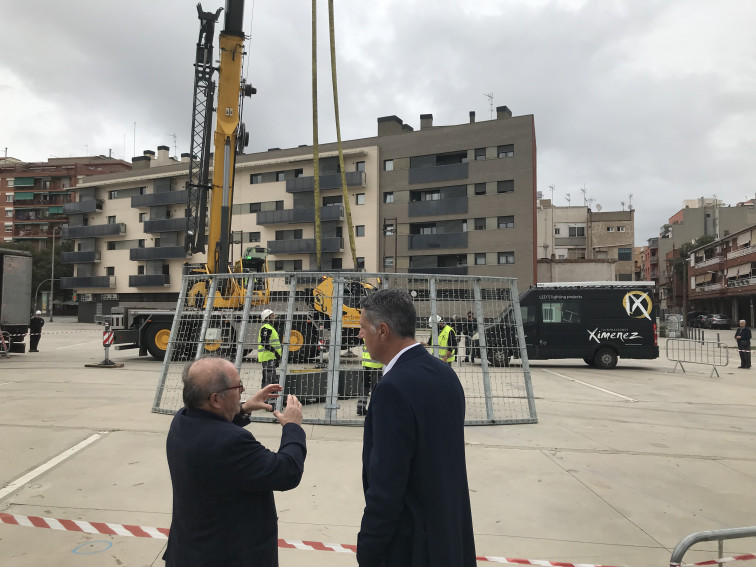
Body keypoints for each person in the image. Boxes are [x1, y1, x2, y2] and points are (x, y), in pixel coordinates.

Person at [357, 288, 476, 567]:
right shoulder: (445, 374)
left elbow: (386, 486)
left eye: (363, 328)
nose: (360, 335)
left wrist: (369, 548)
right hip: (448, 539)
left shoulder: (392, 390)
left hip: (412, 547)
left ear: (383, 330)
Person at [163, 356, 306, 567]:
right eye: (238, 386)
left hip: (189, 552)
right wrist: (293, 426)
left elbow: (212, 428)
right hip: (227, 557)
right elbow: (286, 472)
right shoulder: (232, 442)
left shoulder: (182, 420)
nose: (242, 390)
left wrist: (244, 407)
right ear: (215, 400)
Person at [358, 339, 383, 416]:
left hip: (366, 364)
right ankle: (375, 408)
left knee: (365, 385)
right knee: (376, 387)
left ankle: (360, 407)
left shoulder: (367, 333)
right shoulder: (379, 334)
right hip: (376, 365)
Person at [258, 309, 282, 389]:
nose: (274, 317)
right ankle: (269, 399)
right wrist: (275, 352)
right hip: (268, 357)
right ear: (267, 318)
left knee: (268, 379)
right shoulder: (266, 328)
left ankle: (265, 398)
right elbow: (264, 342)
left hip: (271, 357)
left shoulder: (271, 328)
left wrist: (277, 357)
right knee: (270, 380)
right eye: (272, 316)